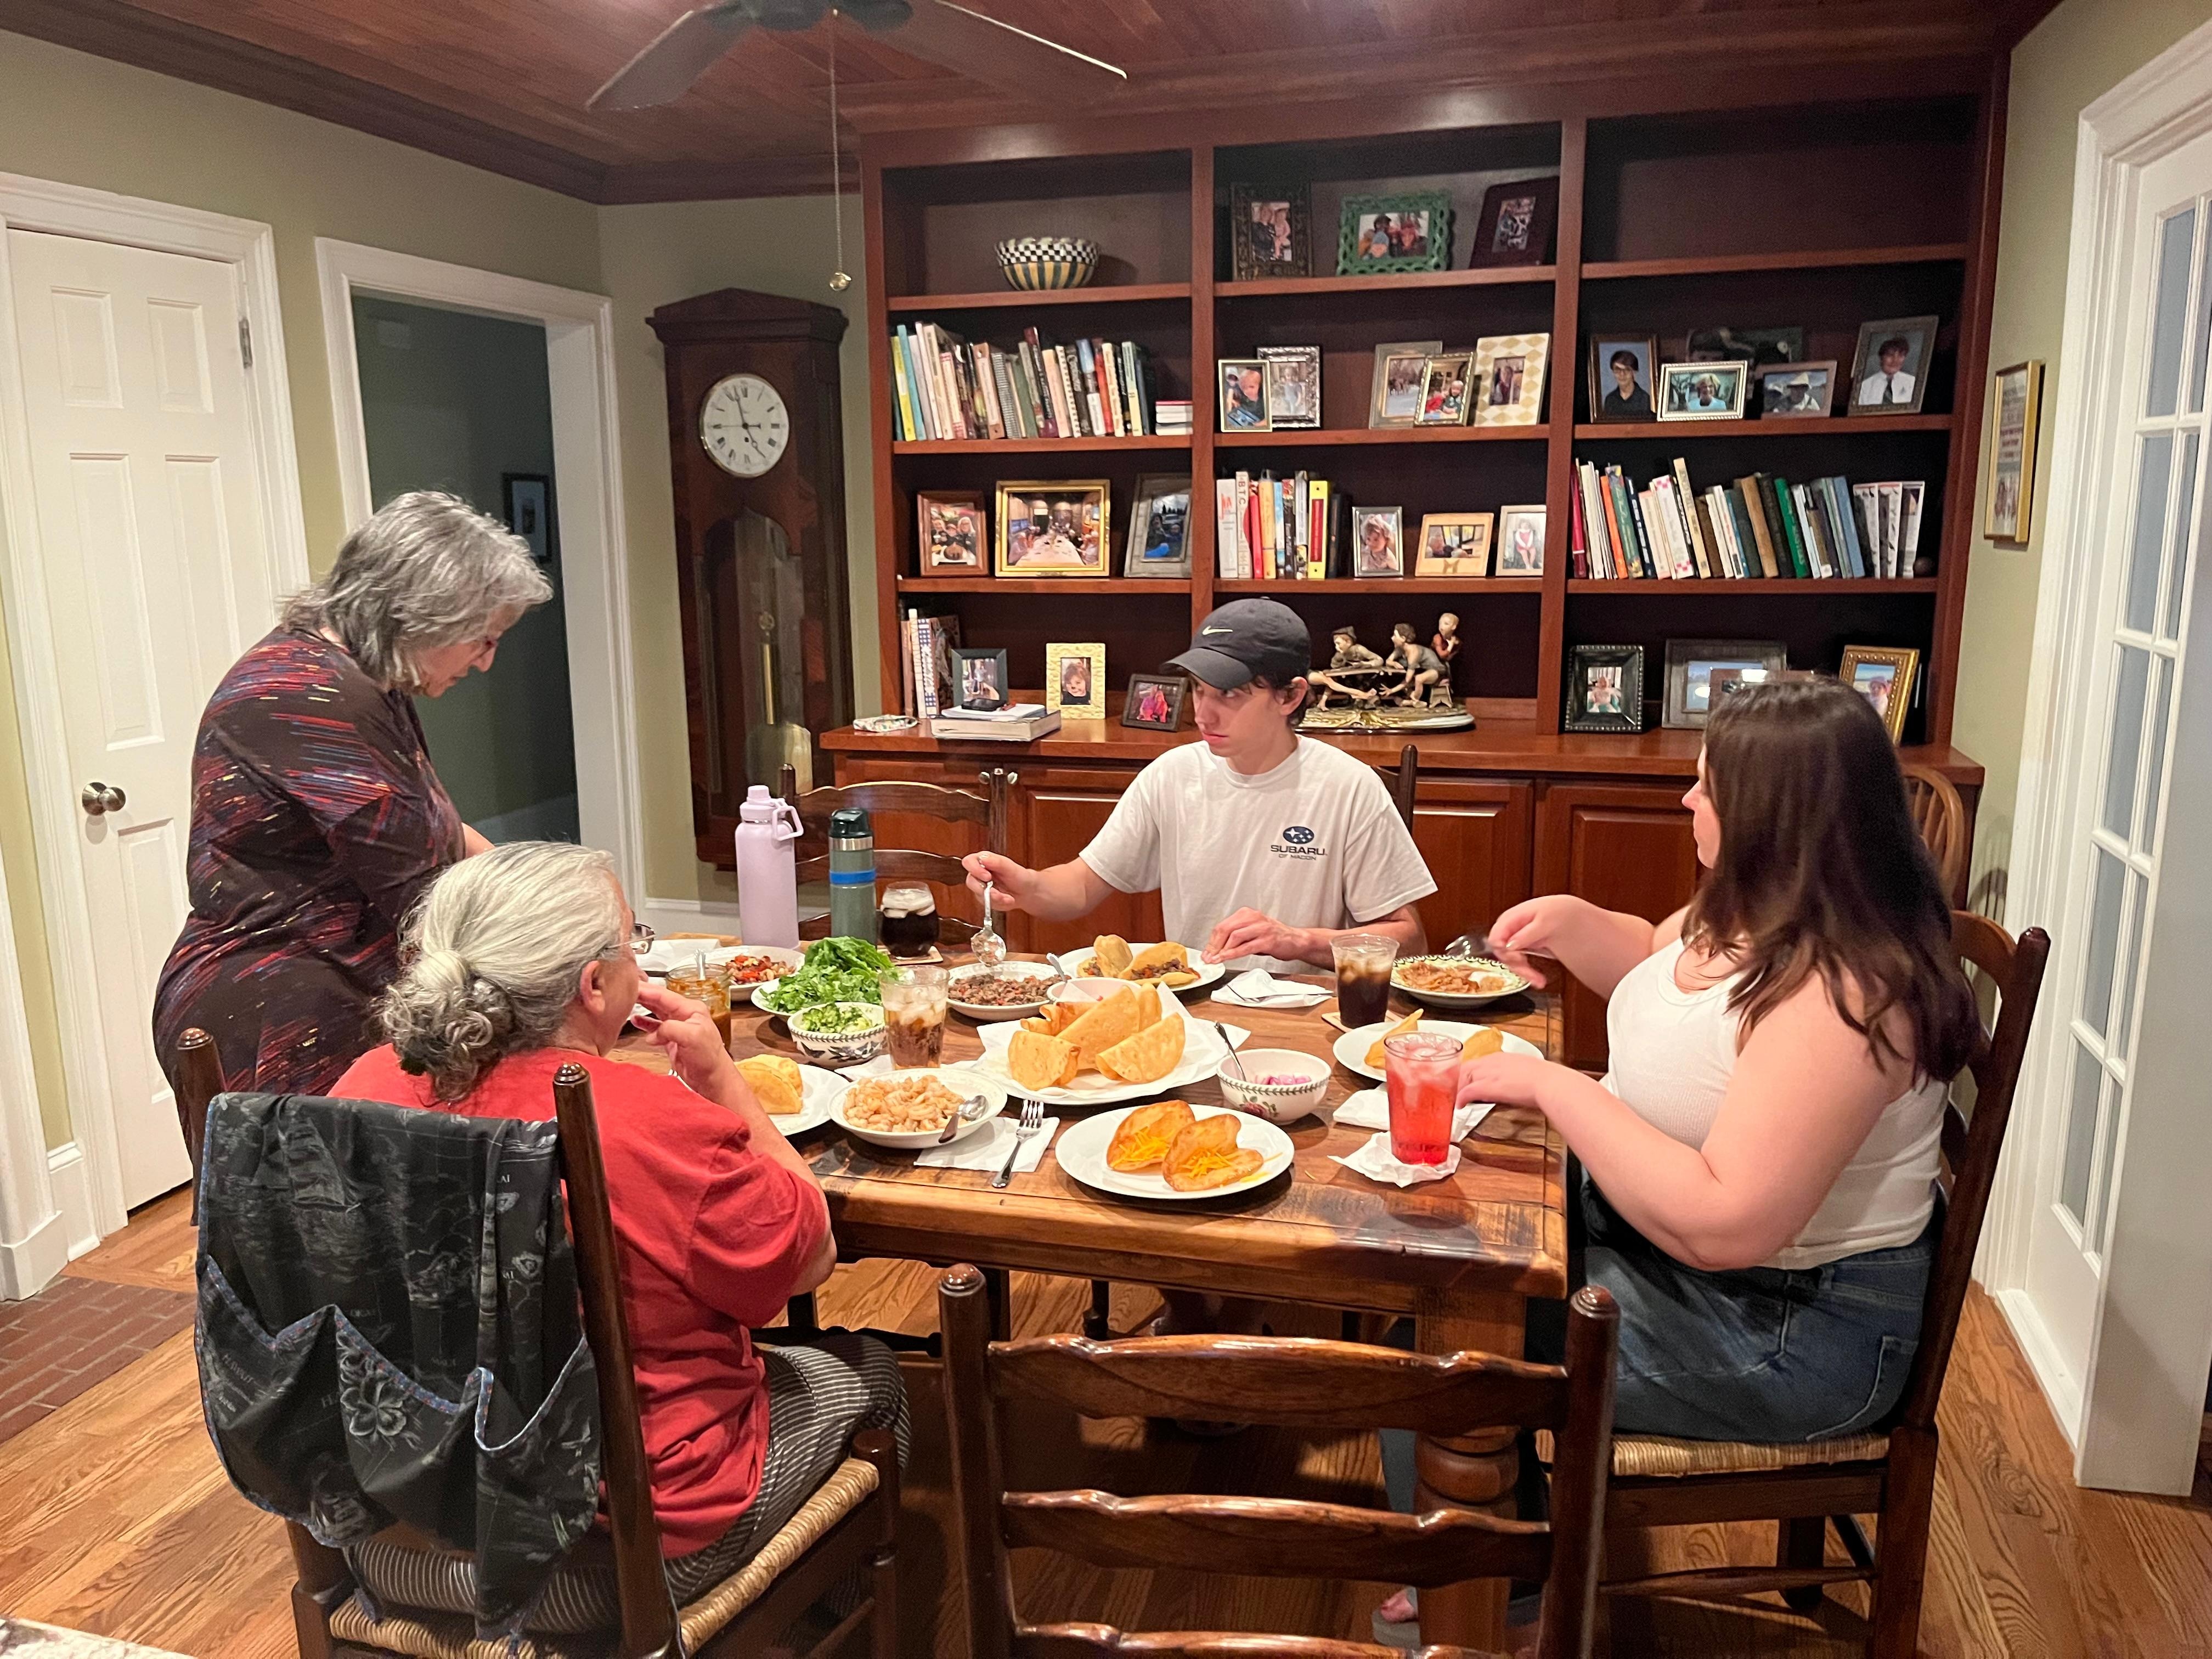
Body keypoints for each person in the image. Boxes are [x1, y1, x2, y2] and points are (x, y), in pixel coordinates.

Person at [1373, 680, 1978, 1634]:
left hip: (1791, 1328)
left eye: (1706, 787)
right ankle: (1500, 1542)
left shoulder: (1849, 990)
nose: (1687, 801)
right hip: (1710, 1267)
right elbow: (1666, 966)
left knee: (1446, 1346)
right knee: (1435, 1246)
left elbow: (1722, 1220)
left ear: (1772, 816)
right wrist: (1578, 923)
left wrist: (1558, 1089)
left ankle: (1493, 1592)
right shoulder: (1768, 907)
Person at [335, 843, 906, 1630]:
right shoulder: (648, 1122)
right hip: (613, 1561)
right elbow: (810, 1260)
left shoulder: (357, 1091)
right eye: (632, 944)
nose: (639, 964)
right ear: (595, 985)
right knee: (872, 1367)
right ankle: (822, 1623)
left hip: (399, 1535)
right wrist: (723, 1082)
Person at [151, 491, 549, 1101]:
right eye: (483, 639)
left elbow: (436, 831)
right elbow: (421, 892)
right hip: (282, 1012)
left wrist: (548, 900)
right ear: (425, 615)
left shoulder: (368, 683)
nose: (486, 663)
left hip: (334, 991)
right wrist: (550, 959)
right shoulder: (315, 695)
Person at [962, 600, 1433, 974]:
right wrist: (1026, 886)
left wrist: (1297, 941)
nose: (1203, 714)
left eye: (1229, 694)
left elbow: (1409, 941)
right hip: (1196, 1009)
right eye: (1200, 690)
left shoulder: (1349, 787)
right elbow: (1082, 888)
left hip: (1306, 1018)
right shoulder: (1172, 775)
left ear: (1290, 696)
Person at [1858, 336, 1917, 406]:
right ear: (1881, 358)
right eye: (1890, 355)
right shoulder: (1865, 386)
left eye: (1901, 356)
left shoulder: (1912, 383)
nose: (1895, 361)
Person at [1601, 347, 1652, 419]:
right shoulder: (1610, 400)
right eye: (1618, 370)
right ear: (1613, 372)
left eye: (1627, 370)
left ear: (1634, 372)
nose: (1622, 374)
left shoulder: (1645, 399)